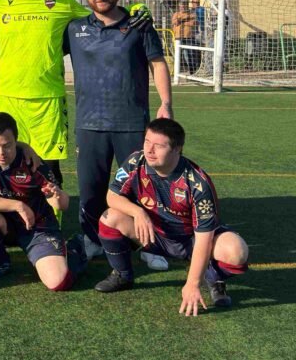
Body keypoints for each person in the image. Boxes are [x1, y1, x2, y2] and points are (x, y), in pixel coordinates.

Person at [64, 0, 173, 263]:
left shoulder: (139, 25)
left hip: (131, 122)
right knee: (90, 189)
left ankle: (148, 246)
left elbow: (157, 63)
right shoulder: (74, 29)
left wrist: (166, 103)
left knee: (141, 189)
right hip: (90, 123)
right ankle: (92, 241)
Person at [95, 119, 249, 312]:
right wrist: (138, 212)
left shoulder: (198, 183)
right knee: (110, 217)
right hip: (154, 235)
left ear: (177, 149)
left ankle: (212, 277)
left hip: (191, 241)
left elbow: (204, 239)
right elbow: (112, 196)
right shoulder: (136, 161)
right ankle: (122, 275)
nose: (149, 150)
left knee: (236, 251)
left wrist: (192, 284)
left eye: (158, 146)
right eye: (147, 141)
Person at [0, 0, 91, 189]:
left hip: (47, 99)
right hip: (7, 96)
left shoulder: (63, 3)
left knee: (48, 168)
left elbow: (100, 20)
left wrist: (131, 11)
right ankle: (12, 213)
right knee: (5, 163)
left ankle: (51, 215)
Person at [0, 113, 87, 289]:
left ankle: (76, 248)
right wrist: (18, 205)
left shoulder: (32, 162)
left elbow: (63, 204)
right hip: (6, 224)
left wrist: (56, 197)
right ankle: (1, 261)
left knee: (58, 282)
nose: (0, 152)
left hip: (37, 228)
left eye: (7, 145)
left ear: (16, 140)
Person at [172, 0, 200, 74]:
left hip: (189, 36)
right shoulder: (176, 14)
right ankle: (177, 71)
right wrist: (186, 19)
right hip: (178, 37)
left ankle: (192, 70)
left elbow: (193, 23)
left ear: (186, 6)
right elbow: (175, 22)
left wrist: (182, 21)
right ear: (179, 6)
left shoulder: (191, 13)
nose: (183, 7)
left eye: (184, 6)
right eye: (181, 6)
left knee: (190, 54)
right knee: (180, 54)